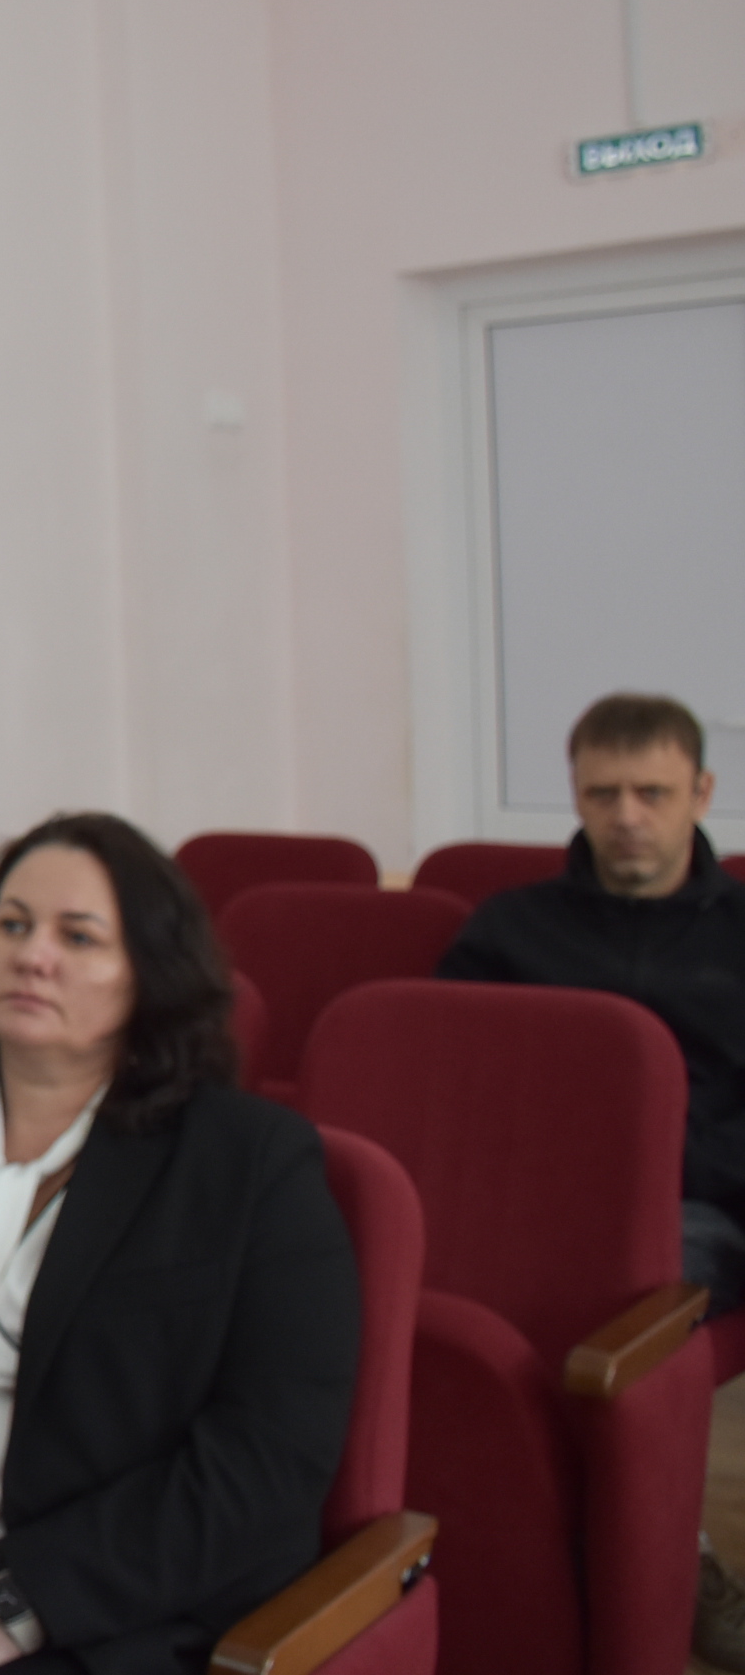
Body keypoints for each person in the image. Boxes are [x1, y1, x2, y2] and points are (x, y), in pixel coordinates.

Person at [0, 813, 357, 1675]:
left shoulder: (246, 1165)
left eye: (78, 937)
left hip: (68, 1616)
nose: (33, 956)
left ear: (150, 971)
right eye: (13, 924)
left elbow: (265, 1465)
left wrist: (13, 1607)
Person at [431, 691, 745, 1673]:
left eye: (652, 792)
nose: (626, 816)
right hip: (524, 1208)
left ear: (701, 792)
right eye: (602, 793)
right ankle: (494, 1565)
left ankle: (664, 1563)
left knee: (615, 1310)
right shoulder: (507, 929)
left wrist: (658, 1174)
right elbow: (450, 1087)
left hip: (694, 1208)